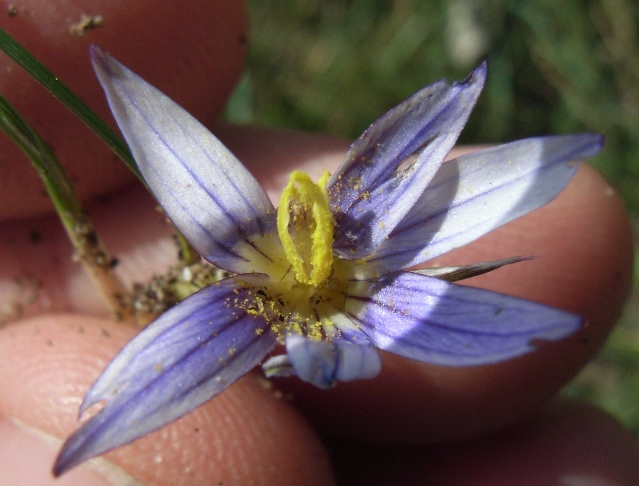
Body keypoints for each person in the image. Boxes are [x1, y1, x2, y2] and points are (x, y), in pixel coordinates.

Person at [0, 1, 636, 484]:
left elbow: (333, 357)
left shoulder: (315, 305)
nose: (309, 249)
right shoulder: (269, 307)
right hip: (245, 314)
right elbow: (326, 357)